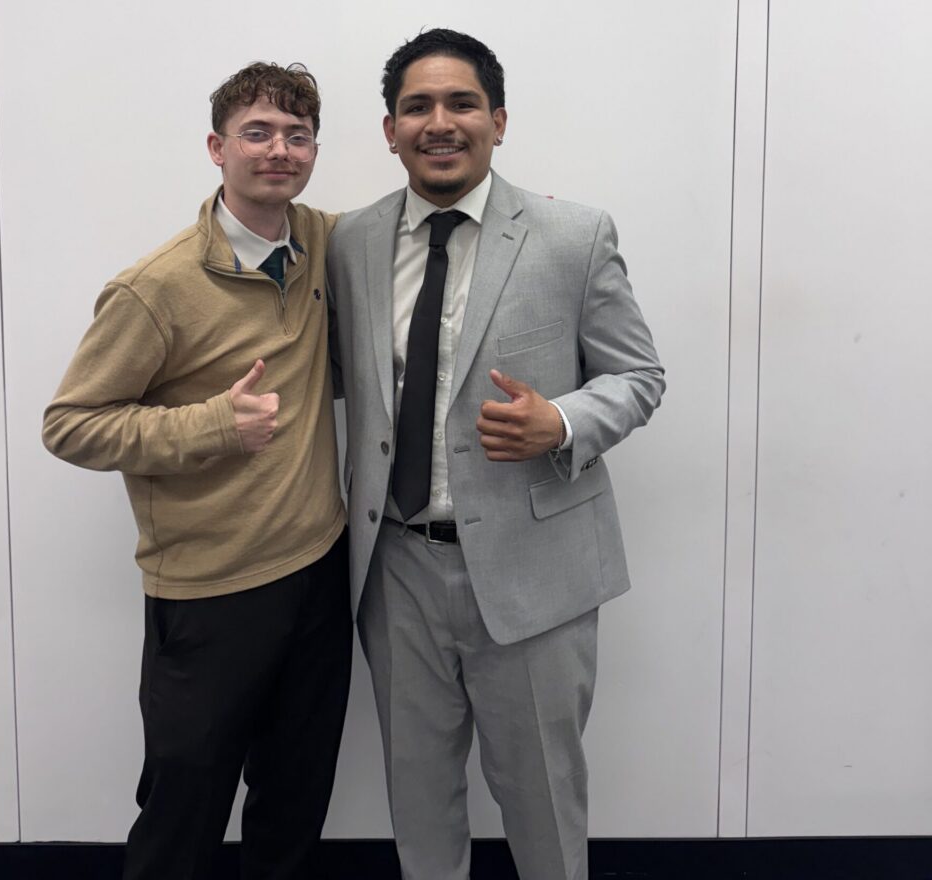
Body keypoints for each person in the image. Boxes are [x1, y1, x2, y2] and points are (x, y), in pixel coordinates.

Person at [326, 29, 665, 880]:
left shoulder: (573, 234)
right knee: (418, 800)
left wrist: (564, 421)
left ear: (499, 120)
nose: (440, 122)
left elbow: (639, 375)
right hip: (395, 569)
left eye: (462, 103)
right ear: (391, 130)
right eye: (417, 107)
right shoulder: (351, 242)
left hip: (533, 568)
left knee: (543, 800)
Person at [43, 62, 349, 880]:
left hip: (318, 570)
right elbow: (70, 425)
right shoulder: (155, 286)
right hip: (209, 591)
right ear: (217, 148)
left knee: (294, 800)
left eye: (297, 135)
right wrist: (212, 425)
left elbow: (409, 236)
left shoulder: (325, 241)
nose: (279, 150)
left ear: (314, 151)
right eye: (257, 132)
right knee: (185, 810)